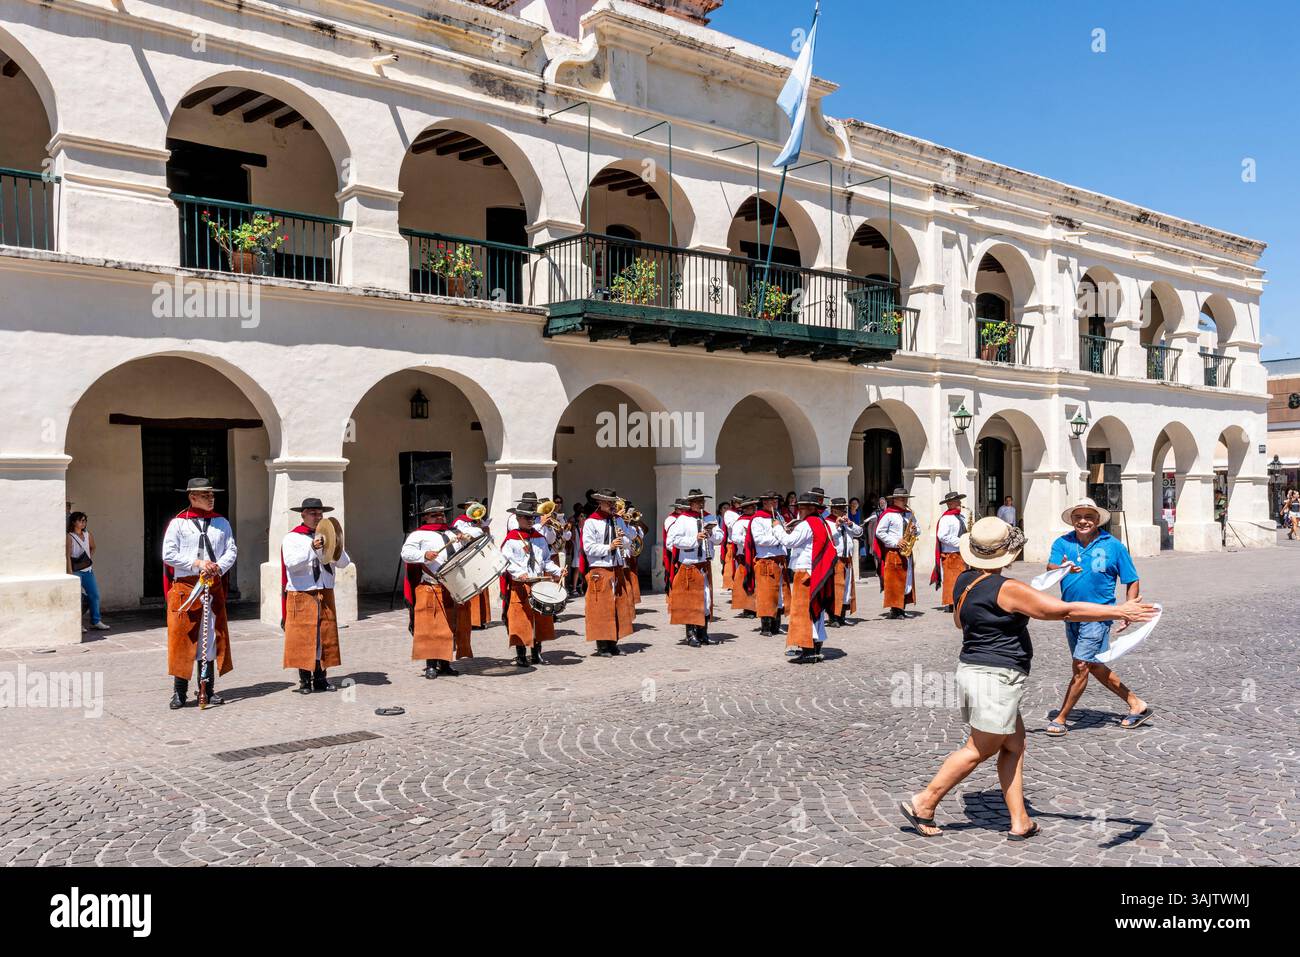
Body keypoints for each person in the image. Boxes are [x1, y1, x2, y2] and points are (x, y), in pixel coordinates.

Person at [899, 517, 1156, 839]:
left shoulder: (965, 579)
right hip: (994, 678)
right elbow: (1063, 611)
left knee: (1015, 744)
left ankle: (1020, 820)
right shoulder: (1009, 589)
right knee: (979, 749)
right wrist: (1120, 611)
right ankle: (924, 802)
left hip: (977, 671)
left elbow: (958, 623)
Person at [1044, 498, 1154, 735]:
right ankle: (1136, 704)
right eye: (1078, 517)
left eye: (1088, 517)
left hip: (1099, 615)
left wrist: (1129, 607)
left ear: (1097, 520)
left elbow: (1131, 578)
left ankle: (1061, 719)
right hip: (1070, 614)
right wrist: (1062, 568)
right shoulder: (1062, 542)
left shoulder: (1113, 546)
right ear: (1072, 519)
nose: (1083, 521)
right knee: (1093, 665)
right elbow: (1050, 568)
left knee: (1081, 665)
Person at [162, 478, 237, 710]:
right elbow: (168, 554)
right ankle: (180, 692)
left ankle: (208, 687)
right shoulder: (178, 524)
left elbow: (231, 550)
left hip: (212, 586)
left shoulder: (221, 523)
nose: (211, 498)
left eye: (212, 494)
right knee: (182, 638)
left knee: (210, 638)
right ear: (192, 497)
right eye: (206, 495)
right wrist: (196, 563)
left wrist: (218, 566)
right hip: (186, 587)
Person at [281, 497, 351, 694]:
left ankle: (321, 678)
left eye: (320, 513)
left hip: (324, 591)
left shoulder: (326, 535)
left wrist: (336, 544)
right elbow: (292, 564)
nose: (317, 516)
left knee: (324, 636)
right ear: (302, 515)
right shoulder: (292, 538)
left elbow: (344, 563)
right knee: (303, 638)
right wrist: (312, 548)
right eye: (312, 513)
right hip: (302, 592)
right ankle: (305, 681)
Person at [400, 499, 468, 679]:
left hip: (450, 586)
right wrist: (424, 555)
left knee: (448, 626)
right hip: (430, 585)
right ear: (425, 518)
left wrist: (465, 540)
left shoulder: (453, 533)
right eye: (435, 514)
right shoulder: (417, 535)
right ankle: (431, 665)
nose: (440, 516)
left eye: (442, 513)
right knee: (430, 627)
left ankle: (445, 663)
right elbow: (405, 553)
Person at [774, 491, 837, 663]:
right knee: (815, 611)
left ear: (809, 508)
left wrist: (777, 528)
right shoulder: (821, 522)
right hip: (815, 570)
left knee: (803, 612)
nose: (798, 510)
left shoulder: (806, 524)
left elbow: (789, 542)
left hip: (805, 572)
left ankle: (808, 649)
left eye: (801, 507)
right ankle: (815, 647)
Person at [500, 499, 562, 667]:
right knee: (520, 620)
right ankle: (521, 655)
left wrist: (557, 570)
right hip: (520, 585)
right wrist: (519, 573)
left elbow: (545, 561)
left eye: (533, 518)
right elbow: (505, 562)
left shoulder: (539, 538)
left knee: (539, 619)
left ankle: (537, 653)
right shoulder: (511, 539)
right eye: (527, 518)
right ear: (518, 518)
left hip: (538, 584)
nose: (530, 521)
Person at [579, 487, 633, 657]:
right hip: (600, 568)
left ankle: (614, 643)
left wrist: (623, 536)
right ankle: (602, 645)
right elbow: (588, 547)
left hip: (616, 566)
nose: (611, 506)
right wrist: (608, 547)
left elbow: (629, 541)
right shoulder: (591, 522)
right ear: (600, 503)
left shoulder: (617, 520)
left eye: (613, 503)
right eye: (608, 503)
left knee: (617, 606)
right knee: (601, 608)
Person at [666, 490, 724, 646]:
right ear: (691, 503)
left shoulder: (710, 517)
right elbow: (675, 541)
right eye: (698, 501)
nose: (701, 503)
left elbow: (719, 539)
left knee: (706, 600)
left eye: (702, 501)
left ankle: (703, 633)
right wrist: (695, 539)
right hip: (690, 563)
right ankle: (691, 635)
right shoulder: (683, 519)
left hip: (704, 564)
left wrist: (711, 533)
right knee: (690, 601)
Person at [872, 487, 919, 619]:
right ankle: (895, 609)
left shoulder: (909, 514)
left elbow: (918, 530)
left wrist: (915, 530)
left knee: (906, 579)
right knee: (895, 581)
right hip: (893, 551)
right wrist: (895, 542)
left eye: (905, 499)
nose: (904, 501)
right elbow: (879, 532)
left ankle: (902, 607)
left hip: (907, 552)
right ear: (895, 500)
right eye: (901, 499)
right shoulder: (888, 514)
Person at [750, 491, 790, 636]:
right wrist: (779, 536)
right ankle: (765, 627)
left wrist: (786, 531)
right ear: (764, 503)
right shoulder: (757, 519)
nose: (775, 504)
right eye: (772, 502)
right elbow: (760, 540)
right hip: (766, 560)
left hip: (780, 559)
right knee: (766, 594)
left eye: (776, 501)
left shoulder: (778, 516)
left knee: (779, 594)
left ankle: (776, 625)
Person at [454, 499, 492, 633]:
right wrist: (477, 529)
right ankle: (472, 620)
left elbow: (488, 539)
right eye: (470, 506)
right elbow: (462, 537)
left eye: (475, 506)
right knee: (472, 586)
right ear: (465, 507)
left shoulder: (480, 521)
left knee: (482, 586)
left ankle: (482, 619)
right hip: (468, 556)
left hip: (480, 554)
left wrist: (486, 530)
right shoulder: (460, 521)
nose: (473, 508)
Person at [67, 511, 109, 632]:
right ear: (74, 522)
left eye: (85, 520)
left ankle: (96, 620)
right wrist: (70, 572)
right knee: (77, 598)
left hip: (87, 570)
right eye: (81, 520)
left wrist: (88, 558)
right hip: (75, 571)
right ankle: (77, 624)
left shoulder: (87, 535)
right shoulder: (69, 536)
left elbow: (93, 546)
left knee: (94, 595)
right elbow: (68, 555)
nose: (83, 523)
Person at [930, 491, 969, 613]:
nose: (960, 503)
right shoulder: (946, 518)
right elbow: (942, 536)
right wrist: (960, 541)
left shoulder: (961, 517)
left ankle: (960, 601)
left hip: (962, 553)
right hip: (951, 553)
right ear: (950, 503)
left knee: (962, 579)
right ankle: (950, 604)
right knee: (951, 580)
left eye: (959, 500)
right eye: (957, 501)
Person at [827, 497, 861, 627]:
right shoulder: (828, 522)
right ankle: (833, 617)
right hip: (836, 559)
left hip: (847, 558)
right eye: (841, 509)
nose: (844, 511)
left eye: (845, 508)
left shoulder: (847, 523)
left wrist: (850, 524)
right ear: (834, 510)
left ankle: (841, 615)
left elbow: (859, 532)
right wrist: (836, 525)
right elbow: (828, 537)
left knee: (846, 589)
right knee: (836, 588)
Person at [729, 497, 758, 618]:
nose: (751, 509)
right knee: (745, 580)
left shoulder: (758, 520)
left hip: (756, 554)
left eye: (753, 507)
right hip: (744, 554)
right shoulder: (740, 522)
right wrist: (747, 541)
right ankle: (747, 608)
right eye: (749, 507)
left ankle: (756, 606)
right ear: (744, 509)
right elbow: (734, 538)